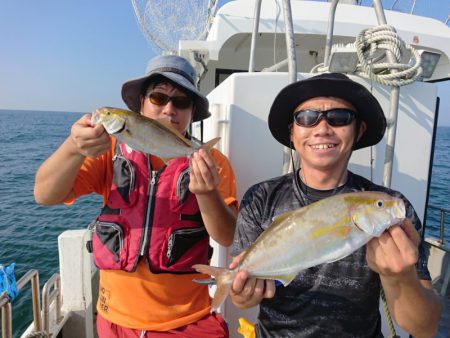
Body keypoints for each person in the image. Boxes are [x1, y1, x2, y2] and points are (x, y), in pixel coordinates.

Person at [34, 55, 238, 337]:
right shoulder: (108, 151)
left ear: (192, 112)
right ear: (141, 103)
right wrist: (72, 148)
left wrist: (206, 193)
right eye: (158, 98)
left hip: (188, 322)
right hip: (114, 321)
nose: (169, 110)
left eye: (181, 102)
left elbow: (227, 235)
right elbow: (45, 194)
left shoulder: (211, 160)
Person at [229, 73, 441, 338]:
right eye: (306, 117)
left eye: (340, 117)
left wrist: (401, 277)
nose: (322, 128)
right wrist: (243, 294)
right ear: (292, 132)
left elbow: (424, 328)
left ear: (358, 130)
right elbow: (241, 299)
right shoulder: (260, 198)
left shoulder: (392, 210)